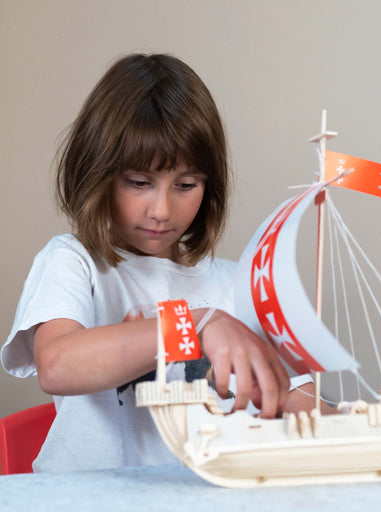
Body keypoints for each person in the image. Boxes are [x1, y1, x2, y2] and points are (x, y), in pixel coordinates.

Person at [0, 53, 317, 472]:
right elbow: (58, 366)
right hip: (88, 497)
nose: (162, 211)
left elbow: (301, 403)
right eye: (139, 182)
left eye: (185, 185)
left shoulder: (239, 284)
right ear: (97, 173)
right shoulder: (73, 262)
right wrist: (195, 324)